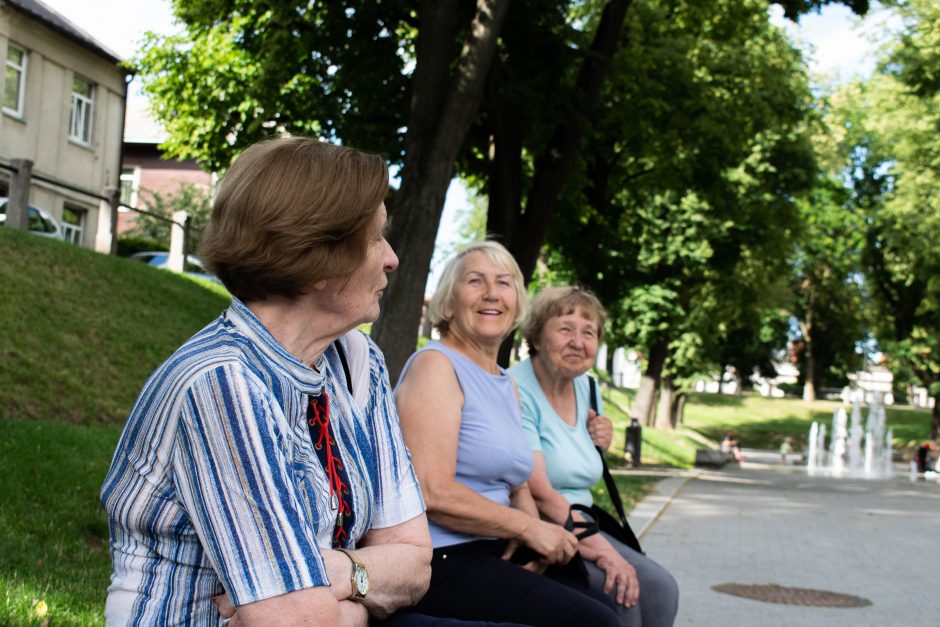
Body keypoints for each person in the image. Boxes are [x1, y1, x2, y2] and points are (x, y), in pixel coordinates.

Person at [100, 137, 431, 626]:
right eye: (376, 237)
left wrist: (337, 573)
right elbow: (297, 621)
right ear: (321, 257)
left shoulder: (357, 360)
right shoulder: (220, 385)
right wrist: (359, 598)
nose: (392, 258)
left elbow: (415, 560)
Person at [395, 242, 621, 626]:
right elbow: (431, 491)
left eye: (504, 283)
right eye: (475, 281)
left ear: (517, 305)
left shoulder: (504, 383)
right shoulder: (435, 366)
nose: (491, 294)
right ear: (448, 303)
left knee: (607, 602)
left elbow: (517, 483)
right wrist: (530, 528)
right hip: (444, 557)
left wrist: (535, 546)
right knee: (595, 621)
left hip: (493, 546)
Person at [509, 286, 679, 627]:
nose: (578, 341)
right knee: (622, 595)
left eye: (589, 332)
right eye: (565, 329)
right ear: (537, 337)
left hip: (583, 519)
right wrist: (606, 554)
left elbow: (575, 461)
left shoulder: (588, 387)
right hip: (539, 526)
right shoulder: (516, 388)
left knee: (662, 588)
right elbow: (540, 491)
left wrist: (599, 444)